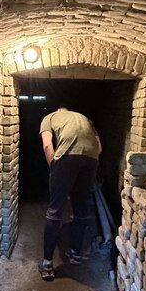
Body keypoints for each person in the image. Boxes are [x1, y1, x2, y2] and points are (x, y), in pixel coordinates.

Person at [38, 106, 102, 281]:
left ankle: (47, 264)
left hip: (67, 157)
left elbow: (47, 144)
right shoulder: (85, 118)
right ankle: (75, 253)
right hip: (91, 159)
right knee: (80, 208)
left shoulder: (50, 117)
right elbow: (99, 147)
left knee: (55, 210)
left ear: (58, 111)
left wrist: (54, 168)